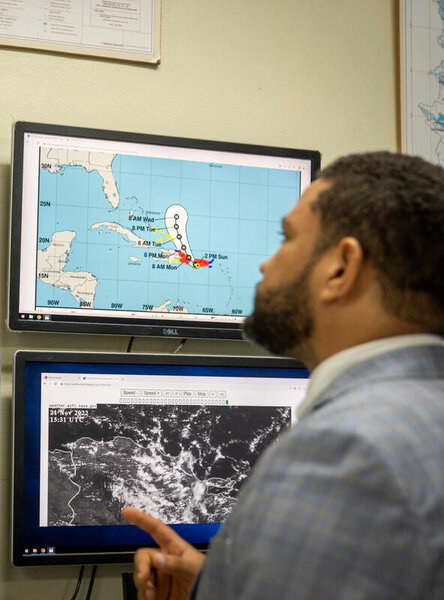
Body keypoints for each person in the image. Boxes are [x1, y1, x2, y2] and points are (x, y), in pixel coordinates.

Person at [122, 151, 444, 599]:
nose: (264, 264)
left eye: (286, 237)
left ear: (341, 268)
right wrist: (218, 584)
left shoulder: (342, 451)